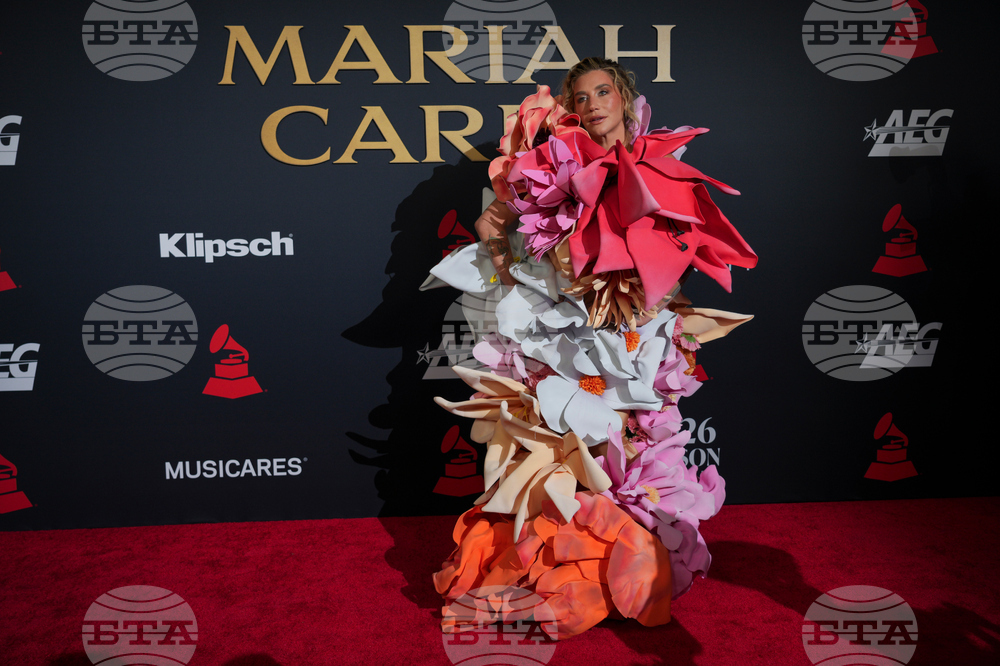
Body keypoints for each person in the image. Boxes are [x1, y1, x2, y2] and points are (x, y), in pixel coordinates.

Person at [426, 57, 757, 640]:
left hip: (637, 336)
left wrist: (655, 301)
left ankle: (626, 570)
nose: (593, 105)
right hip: (569, 338)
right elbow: (490, 223)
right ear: (570, 110)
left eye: (603, 92)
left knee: (632, 455)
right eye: (580, 98)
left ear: (624, 99)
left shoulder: (659, 162)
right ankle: (573, 575)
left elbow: (679, 240)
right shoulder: (550, 169)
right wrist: (510, 273)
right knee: (574, 456)